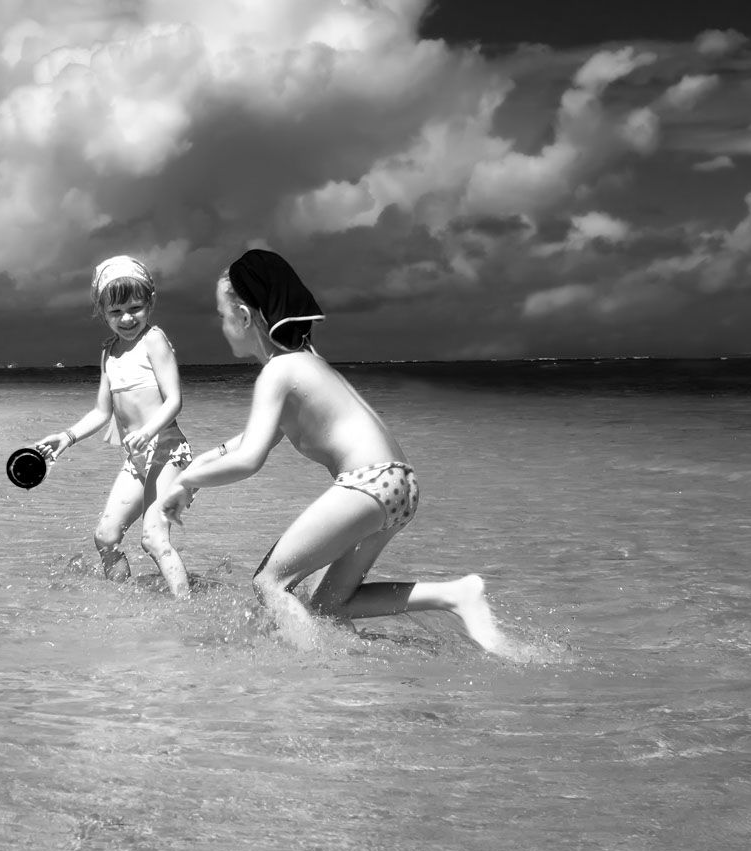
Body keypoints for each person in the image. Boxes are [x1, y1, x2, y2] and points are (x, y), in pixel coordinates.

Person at [156, 249, 511, 654]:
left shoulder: (278, 371)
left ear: (243, 316)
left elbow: (249, 459)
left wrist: (186, 479)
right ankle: (455, 595)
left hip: (369, 482)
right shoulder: (305, 362)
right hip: (399, 484)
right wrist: (198, 468)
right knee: (330, 605)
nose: (221, 326)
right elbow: (250, 441)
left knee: (269, 582)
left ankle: (318, 672)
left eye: (221, 315)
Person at [35, 255, 192, 597]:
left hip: (168, 453)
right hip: (137, 459)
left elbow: (174, 400)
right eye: (116, 311)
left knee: (153, 538)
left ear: (150, 302)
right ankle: (123, 601)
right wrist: (67, 437)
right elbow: (101, 412)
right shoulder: (109, 353)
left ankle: (185, 607)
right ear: (102, 311)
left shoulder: (153, 340)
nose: (127, 318)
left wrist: (148, 431)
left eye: (135, 308)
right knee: (105, 537)